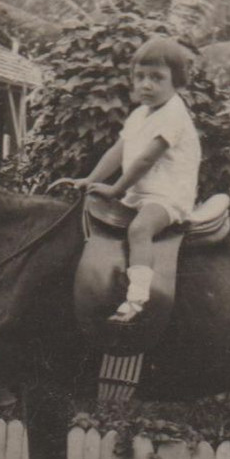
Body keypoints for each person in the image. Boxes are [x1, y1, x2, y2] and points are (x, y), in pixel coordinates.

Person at [53, 36, 202, 323]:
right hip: (140, 195)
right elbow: (117, 150)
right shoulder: (139, 114)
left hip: (167, 196)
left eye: (157, 78)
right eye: (140, 77)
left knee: (139, 230)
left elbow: (145, 160)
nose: (146, 85)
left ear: (176, 81)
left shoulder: (173, 115)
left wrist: (114, 189)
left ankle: (138, 297)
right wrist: (90, 179)